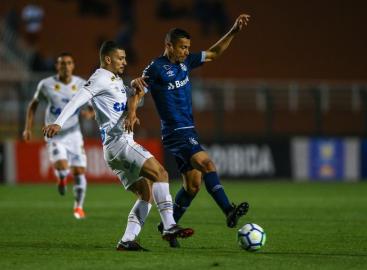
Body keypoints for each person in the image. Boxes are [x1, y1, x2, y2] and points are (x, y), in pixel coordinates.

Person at [42, 41, 194, 251]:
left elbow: (128, 103)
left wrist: (136, 93)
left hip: (113, 150)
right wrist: (59, 122)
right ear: (108, 59)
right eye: (120, 58)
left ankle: (127, 240)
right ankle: (169, 225)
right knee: (161, 174)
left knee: (145, 194)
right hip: (121, 143)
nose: (125, 61)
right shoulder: (99, 78)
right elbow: (77, 100)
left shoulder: (115, 80)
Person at [130, 14, 251, 248]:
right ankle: (228, 210)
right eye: (182, 47)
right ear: (169, 46)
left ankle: (169, 228)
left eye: (188, 48)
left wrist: (234, 30)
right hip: (177, 132)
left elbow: (214, 53)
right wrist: (133, 110)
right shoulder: (156, 68)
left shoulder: (186, 63)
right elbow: (138, 89)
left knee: (192, 186)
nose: (186, 51)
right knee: (207, 164)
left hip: (188, 130)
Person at [23, 52, 92, 219]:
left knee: (79, 171)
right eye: (62, 63)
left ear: (73, 66)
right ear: (57, 66)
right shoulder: (46, 85)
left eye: (69, 63)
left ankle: (78, 207)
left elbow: (91, 107)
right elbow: (33, 105)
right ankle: (61, 178)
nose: (66, 66)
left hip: (74, 133)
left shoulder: (82, 84)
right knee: (62, 166)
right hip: (54, 134)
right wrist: (28, 128)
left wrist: (90, 113)